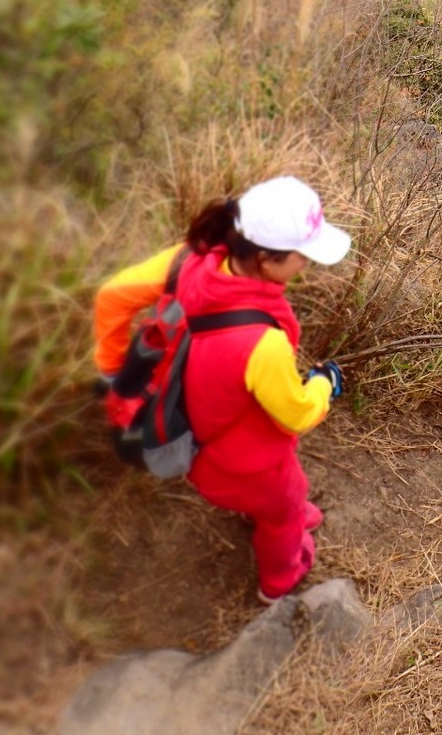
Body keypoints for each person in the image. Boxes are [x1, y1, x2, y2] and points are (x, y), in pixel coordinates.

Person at [93, 175, 352, 602]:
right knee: (286, 512)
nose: (306, 265)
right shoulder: (262, 344)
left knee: (287, 498)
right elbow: (297, 413)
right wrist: (324, 384)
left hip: (195, 440)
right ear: (268, 259)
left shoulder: (189, 262)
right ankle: (278, 584)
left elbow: (111, 297)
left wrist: (116, 378)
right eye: (302, 255)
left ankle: (275, 511)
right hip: (247, 464)